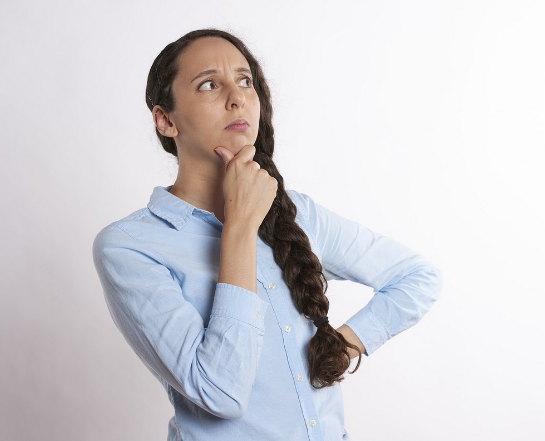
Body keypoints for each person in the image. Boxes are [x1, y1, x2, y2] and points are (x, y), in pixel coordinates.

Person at [92, 28, 443, 441]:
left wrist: (342, 346)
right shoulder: (131, 247)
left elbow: (417, 277)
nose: (237, 97)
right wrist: (239, 227)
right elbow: (221, 392)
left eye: (245, 81)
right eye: (209, 84)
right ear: (165, 120)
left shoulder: (297, 213)